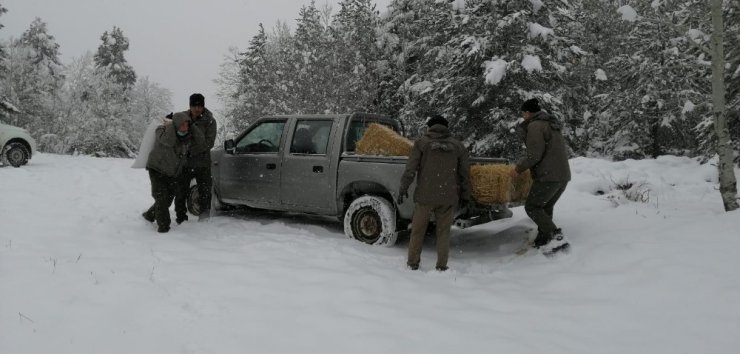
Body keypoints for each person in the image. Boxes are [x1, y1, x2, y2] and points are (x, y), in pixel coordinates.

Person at [399, 115, 471, 271]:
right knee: (443, 233)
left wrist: (403, 188)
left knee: (418, 231)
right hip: (448, 197)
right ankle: (442, 265)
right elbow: (465, 174)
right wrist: (465, 195)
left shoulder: (422, 143)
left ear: (430, 127)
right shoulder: (458, 146)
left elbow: (410, 169)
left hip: (425, 196)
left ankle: (412, 264)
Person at [510, 98, 571, 254]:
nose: (522, 116)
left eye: (523, 113)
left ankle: (556, 237)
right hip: (562, 175)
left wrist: (519, 168)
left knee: (532, 207)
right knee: (545, 207)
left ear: (528, 113)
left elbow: (534, 154)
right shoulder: (550, 124)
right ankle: (543, 240)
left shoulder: (536, 126)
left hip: (548, 176)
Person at [143, 113, 197, 233]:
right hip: (157, 169)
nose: (185, 127)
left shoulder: (186, 138)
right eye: (182, 125)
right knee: (161, 197)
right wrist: (171, 126)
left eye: (187, 125)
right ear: (176, 125)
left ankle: (150, 215)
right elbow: (169, 141)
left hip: (171, 172)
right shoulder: (163, 133)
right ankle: (163, 227)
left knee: (167, 199)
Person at [180, 93, 218, 221]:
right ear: (190, 106)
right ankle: (181, 217)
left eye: (200, 106)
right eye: (194, 106)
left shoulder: (210, 121)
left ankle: (204, 219)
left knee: (205, 192)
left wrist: (191, 150)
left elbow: (209, 142)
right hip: (185, 163)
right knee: (181, 191)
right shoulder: (182, 118)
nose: (197, 109)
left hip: (203, 163)